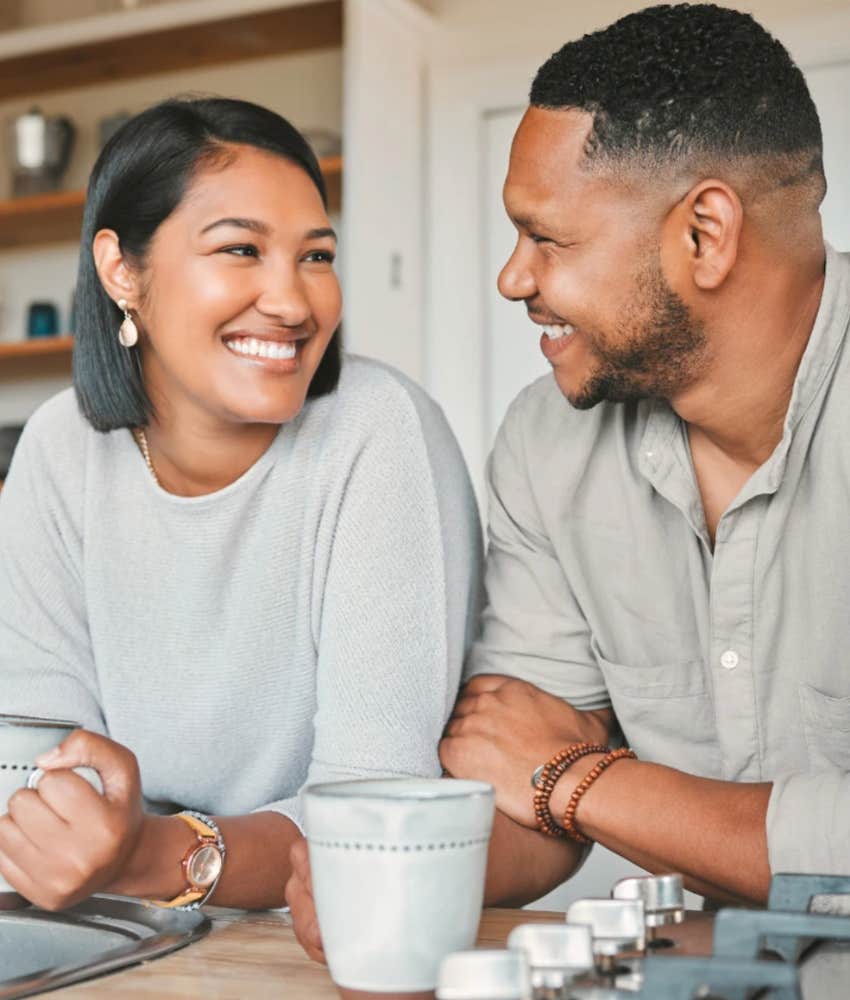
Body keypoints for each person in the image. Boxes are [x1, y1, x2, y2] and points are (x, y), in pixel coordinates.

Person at [288, 1, 849, 959]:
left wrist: (585, 782)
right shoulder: (548, 443)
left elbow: (547, 772)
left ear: (705, 233)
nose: (514, 278)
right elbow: (514, 771)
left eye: (547, 239)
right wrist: (397, 864)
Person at [0, 97, 482, 912]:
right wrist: (67, 834)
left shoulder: (378, 430)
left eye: (317, 257)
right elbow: (30, 751)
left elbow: (371, 813)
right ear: (122, 271)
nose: (293, 303)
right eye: (242, 250)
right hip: (113, 926)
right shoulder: (60, 445)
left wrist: (155, 853)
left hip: (325, 933)